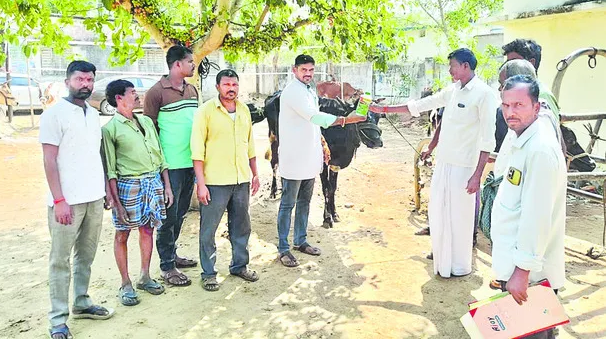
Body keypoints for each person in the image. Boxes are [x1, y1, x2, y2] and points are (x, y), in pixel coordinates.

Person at [370, 48, 497, 278]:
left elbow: (488, 138)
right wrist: (384, 109)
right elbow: (425, 107)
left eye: (453, 66)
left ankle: (459, 266)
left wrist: (477, 175)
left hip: (465, 168)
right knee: (439, 212)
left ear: (466, 66)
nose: (449, 70)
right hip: (444, 163)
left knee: (460, 218)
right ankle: (442, 262)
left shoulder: (484, 94)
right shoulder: (453, 90)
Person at [40, 61, 114, 339]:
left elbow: (97, 156)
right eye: (80, 79)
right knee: (60, 260)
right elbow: (49, 159)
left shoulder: (93, 115)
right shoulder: (54, 114)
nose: (85, 84)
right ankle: (58, 320)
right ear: (67, 80)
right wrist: (59, 199)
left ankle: (81, 302)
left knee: (86, 256)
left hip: (94, 198)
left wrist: (104, 190)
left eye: (90, 79)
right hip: (66, 202)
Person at [491, 75, 566, 339]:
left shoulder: (540, 150)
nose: (510, 113)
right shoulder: (523, 140)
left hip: (530, 276)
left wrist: (521, 273)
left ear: (537, 107)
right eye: (506, 105)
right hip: (517, 267)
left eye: (519, 105)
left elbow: (536, 217)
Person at [277, 54, 366, 268]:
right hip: (293, 157)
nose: (307, 74)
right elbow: (315, 117)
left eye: (310, 70)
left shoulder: (309, 90)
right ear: (294, 70)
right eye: (303, 70)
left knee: (305, 202)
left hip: (309, 155)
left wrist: (322, 145)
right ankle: (283, 248)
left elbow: (313, 124)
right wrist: (346, 119)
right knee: (288, 203)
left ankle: (300, 240)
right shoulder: (293, 92)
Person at [102, 79, 174, 306]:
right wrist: (115, 201)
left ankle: (145, 276)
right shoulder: (110, 129)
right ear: (119, 98)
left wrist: (167, 186)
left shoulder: (146, 122)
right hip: (127, 185)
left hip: (153, 182)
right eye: (132, 92)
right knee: (122, 233)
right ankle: (125, 283)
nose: (137, 95)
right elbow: (110, 169)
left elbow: (160, 157)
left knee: (147, 229)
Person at [191, 69, 260, 291]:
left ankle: (239, 265)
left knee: (241, 226)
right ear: (218, 87)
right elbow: (197, 149)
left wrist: (255, 173)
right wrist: (200, 183)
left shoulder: (244, 110)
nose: (231, 89)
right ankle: (209, 273)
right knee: (209, 229)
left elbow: (249, 144)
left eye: (235, 85)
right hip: (214, 181)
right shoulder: (205, 112)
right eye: (227, 85)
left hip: (241, 179)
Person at [144, 45, 199, 286]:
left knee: (182, 212)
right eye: (190, 62)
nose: (193, 65)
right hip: (171, 166)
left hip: (191, 163)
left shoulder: (192, 89)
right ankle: (167, 266)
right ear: (177, 64)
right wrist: (159, 167)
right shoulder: (156, 93)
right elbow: (149, 131)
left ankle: (172, 254)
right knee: (167, 216)